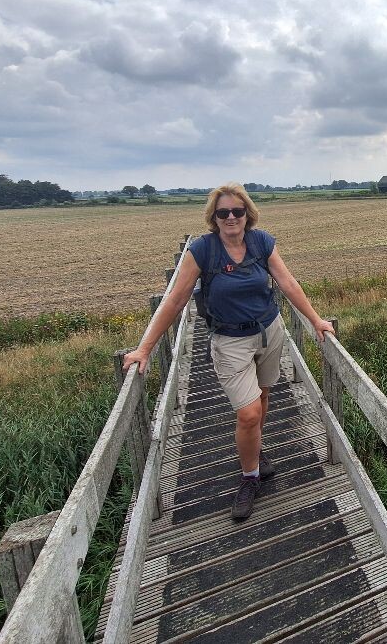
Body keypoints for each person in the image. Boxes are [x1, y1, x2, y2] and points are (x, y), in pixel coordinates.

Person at [123, 183, 335, 521]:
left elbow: (288, 283)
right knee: (248, 413)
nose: (231, 217)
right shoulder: (203, 251)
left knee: (263, 399)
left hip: (268, 332)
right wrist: (144, 349)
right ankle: (249, 476)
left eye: (237, 211)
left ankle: (255, 450)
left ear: (247, 213)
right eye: (224, 212)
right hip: (229, 341)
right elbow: (176, 300)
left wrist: (316, 320)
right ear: (214, 217)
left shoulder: (262, 242)